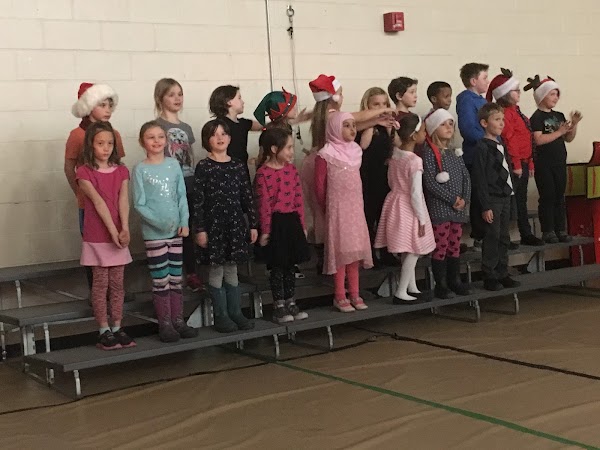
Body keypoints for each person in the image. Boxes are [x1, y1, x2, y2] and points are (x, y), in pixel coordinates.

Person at [303, 74, 394, 275]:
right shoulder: (332, 115)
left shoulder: (329, 115)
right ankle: (328, 260)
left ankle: (333, 259)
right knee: (326, 216)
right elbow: (354, 118)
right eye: (341, 93)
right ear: (334, 97)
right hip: (328, 165)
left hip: (326, 163)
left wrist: (376, 121)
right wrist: (382, 111)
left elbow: (352, 126)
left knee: (325, 217)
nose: (343, 97)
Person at [132, 121, 199, 343]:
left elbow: (181, 196)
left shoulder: (173, 165)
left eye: (160, 136)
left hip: (176, 232)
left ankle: (178, 320)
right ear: (142, 142)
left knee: (176, 279)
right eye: (151, 137)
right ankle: (165, 324)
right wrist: (160, 224)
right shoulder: (140, 169)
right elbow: (139, 204)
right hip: (155, 235)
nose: (157, 141)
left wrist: (184, 222)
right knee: (161, 280)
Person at [193, 119, 257, 333]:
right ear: (207, 140)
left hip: (234, 225)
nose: (220, 138)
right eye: (214, 134)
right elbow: (198, 201)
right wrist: (200, 229)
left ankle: (235, 312)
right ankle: (221, 316)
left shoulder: (237, 165)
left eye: (223, 133)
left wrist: (253, 224)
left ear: (230, 138)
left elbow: (247, 196)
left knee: (232, 269)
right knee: (216, 269)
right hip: (214, 227)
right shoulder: (204, 167)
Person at [76, 121, 134, 350]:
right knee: (101, 284)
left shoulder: (121, 170)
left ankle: (117, 326)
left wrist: (125, 229)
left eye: (110, 143)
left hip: (118, 235)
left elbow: (123, 200)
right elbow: (99, 203)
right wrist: (113, 232)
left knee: (118, 284)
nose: (106, 148)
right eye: (100, 143)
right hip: (98, 236)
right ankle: (103, 329)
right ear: (91, 144)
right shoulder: (84, 172)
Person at [65, 83, 125, 291]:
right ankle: (97, 292)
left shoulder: (114, 134)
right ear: (89, 107)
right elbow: (69, 167)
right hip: (88, 203)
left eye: (110, 105)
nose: (108, 110)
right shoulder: (77, 135)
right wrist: (79, 192)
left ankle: (115, 291)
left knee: (115, 244)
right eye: (102, 105)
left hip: (112, 202)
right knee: (93, 249)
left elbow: (118, 166)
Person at [315, 112, 373, 312]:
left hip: (355, 208)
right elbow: (319, 186)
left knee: (354, 251)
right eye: (346, 125)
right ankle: (340, 295)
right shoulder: (325, 154)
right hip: (337, 209)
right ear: (334, 128)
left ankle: (355, 293)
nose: (352, 129)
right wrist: (327, 208)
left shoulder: (356, 151)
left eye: (353, 125)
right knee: (341, 253)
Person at [374, 114, 436, 303]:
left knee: (407, 248)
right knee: (414, 250)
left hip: (395, 202)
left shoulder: (395, 156)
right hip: (409, 207)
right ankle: (401, 291)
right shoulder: (414, 161)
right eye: (423, 131)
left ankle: (412, 287)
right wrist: (422, 218)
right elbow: (416, 192)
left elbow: (391, 181)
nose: (425, 134)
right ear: (414, 135)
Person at [253, 88, 311, 279]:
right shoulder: (274, 132)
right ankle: (277, 267)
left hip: (286, 186)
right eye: (292, 106)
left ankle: (290, 265)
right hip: (275, 188)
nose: (296, 108)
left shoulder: (284, 128)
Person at [255, 128, 310, 323]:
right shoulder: (263, 174)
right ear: (273, 149)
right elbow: (264, 205)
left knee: (290, 266)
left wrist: (302, 225)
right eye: (288, 148)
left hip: (291, 222)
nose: (291, 152)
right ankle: (278, 305)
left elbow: (298, 199)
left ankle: (291, 301)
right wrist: (266, 231)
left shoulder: (292, 170)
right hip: (276, 224)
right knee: (277, 266)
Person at [153, 78, 204, 292]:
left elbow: (190, 155)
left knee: (189, 228)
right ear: (160, 98)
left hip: (188, 182)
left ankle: (192, 272)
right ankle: (172, 274)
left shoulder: (186, 128)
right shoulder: (158, 126)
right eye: (171, 94)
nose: (177, 98)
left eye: (180, 94)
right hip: (170, 187)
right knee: (173, 231)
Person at [487, 69, 543, 247]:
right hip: (514, 164)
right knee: (510, 202)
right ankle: (506, 237)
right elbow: (510, 140)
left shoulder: (517, 111)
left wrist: (530, 161)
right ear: (504, 94)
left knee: (521, 200)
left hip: (524, 162)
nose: (519, 93)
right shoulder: (505, 113)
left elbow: (527, 137)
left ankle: (525, 233)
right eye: (515, 90)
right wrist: (517, 164)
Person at [525, 75, 582, 243]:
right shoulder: (537, 117)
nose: (556, 97)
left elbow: (568, 138)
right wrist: (559, 132)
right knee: (548, 195)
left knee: (559, 195)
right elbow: (538, 140)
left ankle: (560, 229)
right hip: (544, 163)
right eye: (552, 94)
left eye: (557, 94)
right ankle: (548, 230)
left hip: (559, 162)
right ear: (542, 95)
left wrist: (574, 125)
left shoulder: (559, 115)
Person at [422, 109, 471, 299]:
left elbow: (466, 177)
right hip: (441, 209)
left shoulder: (454, 152)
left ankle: (454, 280)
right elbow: (431, 182)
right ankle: (441, 284)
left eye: (451, 123)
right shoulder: (429, 153)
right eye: (443, 124)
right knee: (440, 246)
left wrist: (464, 199)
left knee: (454, 245)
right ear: (434, 128)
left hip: (458, 209)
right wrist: (452, 199)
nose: (449, 127)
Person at [471, 104, 521, 291]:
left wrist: (511, 194)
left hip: (505, 197)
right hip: (492, 199)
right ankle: (489, 274)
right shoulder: (482, 147)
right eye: (497, 119)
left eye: (502, 119)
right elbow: (480, 179)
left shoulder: (501, 145)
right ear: (484, 123)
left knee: (503, 237)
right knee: (492, 236)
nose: (501, 123)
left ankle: (502, 272)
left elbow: (506, 171)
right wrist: (485, 206)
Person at [356, 87, 395, 266]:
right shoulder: (363, 126)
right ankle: (370, 254)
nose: (381, 108)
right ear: (367, 106)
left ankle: (386, 252)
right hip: (367, 175)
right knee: (369, 215)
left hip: (384, 174)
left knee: (384, 215)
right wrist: (372, 123)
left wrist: (391, 129)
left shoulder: (387, 126)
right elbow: (363, 146)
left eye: (384, 104)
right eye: (376, 104)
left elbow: (394, 146)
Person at [456, 63, 489, 250]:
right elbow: (468, 129)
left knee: (487, 195)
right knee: (478, 195)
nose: (488, 81)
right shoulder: (467, 100)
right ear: (473, 81)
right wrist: (489, 141)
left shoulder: (482, 100)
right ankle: (479, 236)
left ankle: (489, 234)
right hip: (476, 155)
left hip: (488, 153)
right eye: (484, 78)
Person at [208, 85, 263, 177]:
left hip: (242, 171)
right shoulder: (218, 125)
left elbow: (263, 126)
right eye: (239, 98)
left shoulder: (243, 123)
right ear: (229, 102)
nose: (243, 102)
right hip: (224, 172)